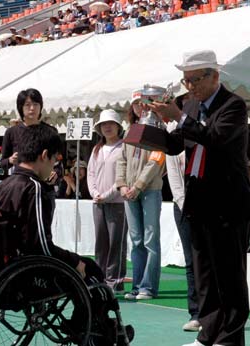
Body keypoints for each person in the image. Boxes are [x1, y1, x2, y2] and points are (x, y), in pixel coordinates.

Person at [0, 124, 134, 345]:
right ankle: (89, 330)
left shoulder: (1, 187)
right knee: (92, 270)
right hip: (27, 278)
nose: (52, 167)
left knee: (81, 266)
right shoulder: (33, 188)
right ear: (44, 155)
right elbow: (41, 246)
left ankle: (89, 327)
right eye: (52, 161)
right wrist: (73, 261)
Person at [149, 49, 250, 346]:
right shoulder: (192, 107)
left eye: (195, 79)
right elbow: (174, 146)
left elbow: (216, 140)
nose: (190, 86)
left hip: (227, 202)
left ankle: (230, 338)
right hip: (198, 200)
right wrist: (151, 129)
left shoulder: (234, 105)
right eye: (186, 80)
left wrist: (179, 116)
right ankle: (208, 333)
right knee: (204, 274)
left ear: (214, 76)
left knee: (230, 275)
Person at [116, 90, 166, 300]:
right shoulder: (130, 131)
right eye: (137, 103)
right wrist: (121, 185)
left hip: (150, 189)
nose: (141, 107)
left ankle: (148, 287)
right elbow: (122, 160)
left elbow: (156, 160)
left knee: (150, 239)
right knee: (136, 240)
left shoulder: (159, 128)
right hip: (129, 191)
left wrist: (137, 185)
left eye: (144, 102)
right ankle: (137, 285)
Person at [166, 94, 201, 332]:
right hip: (183, 206)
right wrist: (183, 203)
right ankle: (196, 312)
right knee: (190, 261)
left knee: (206, 261)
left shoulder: (203, 130)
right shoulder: (173, 134)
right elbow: (173, 177)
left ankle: (212, 312)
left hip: (205, 206)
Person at [0, 88, 63, 209]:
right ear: (20, 108)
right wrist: (10, 161)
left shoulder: (51, 131)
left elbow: (58, 162)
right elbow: (2, 163)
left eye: (36, 104)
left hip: (45, 189)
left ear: (41, 107)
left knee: (42, 224)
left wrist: (56, 175)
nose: (32, 108)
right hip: (20, 188)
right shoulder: (12, 132)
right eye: (27, 105)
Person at [87, 109, 128, 294]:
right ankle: (99, 278)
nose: (107, 127)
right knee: (101, 243)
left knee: (116, 243)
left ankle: (115, 281)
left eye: (111, 123)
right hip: (98, 203)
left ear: (119, 126)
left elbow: (124, 176)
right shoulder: (97, 149)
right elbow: (91, 174)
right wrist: (95, 193)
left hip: (118, 202)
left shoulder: (124, 147)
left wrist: (107, 194)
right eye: (104, 124)